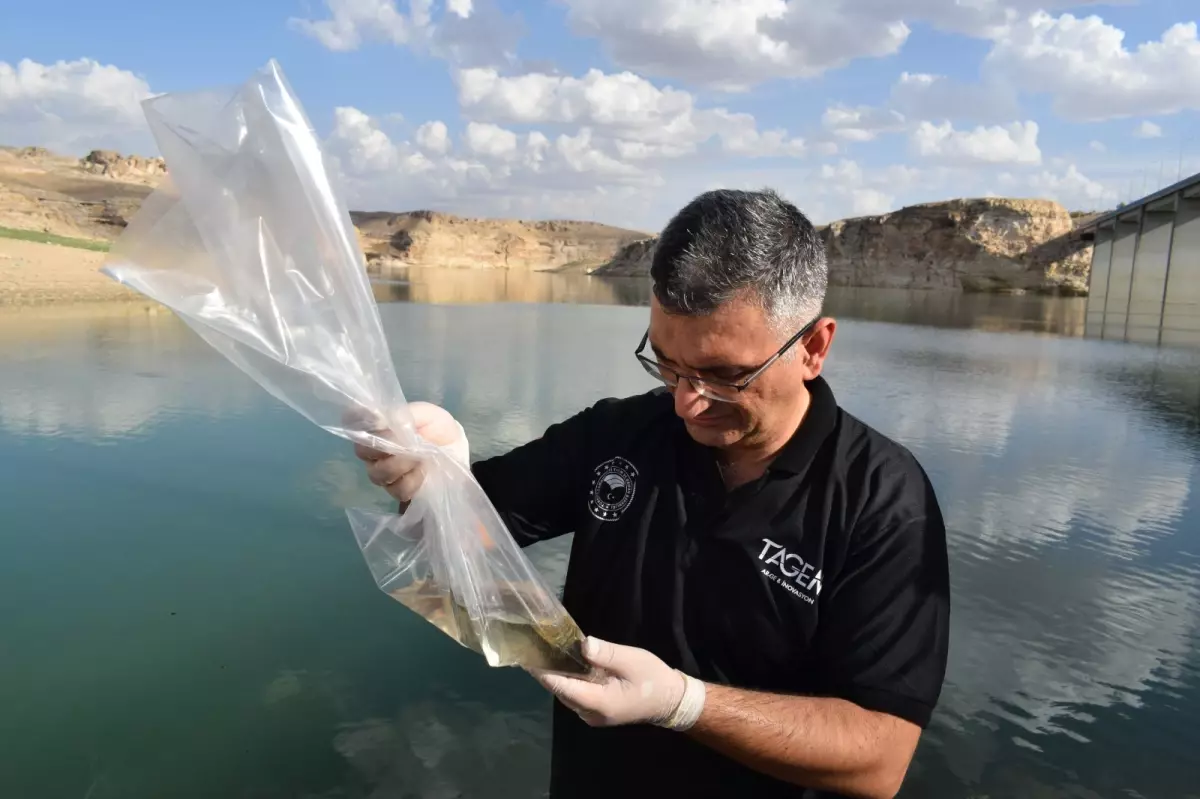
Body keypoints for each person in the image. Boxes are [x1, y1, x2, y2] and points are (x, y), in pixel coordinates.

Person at [354, 188, 951, 799]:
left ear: (813, 348)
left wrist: (682, 704)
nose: (688, 402)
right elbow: (464, 540)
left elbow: (879, 756)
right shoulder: (619, 434)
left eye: (724, 376)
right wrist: (434, 479)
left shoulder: (883, 499)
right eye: (665, 363)